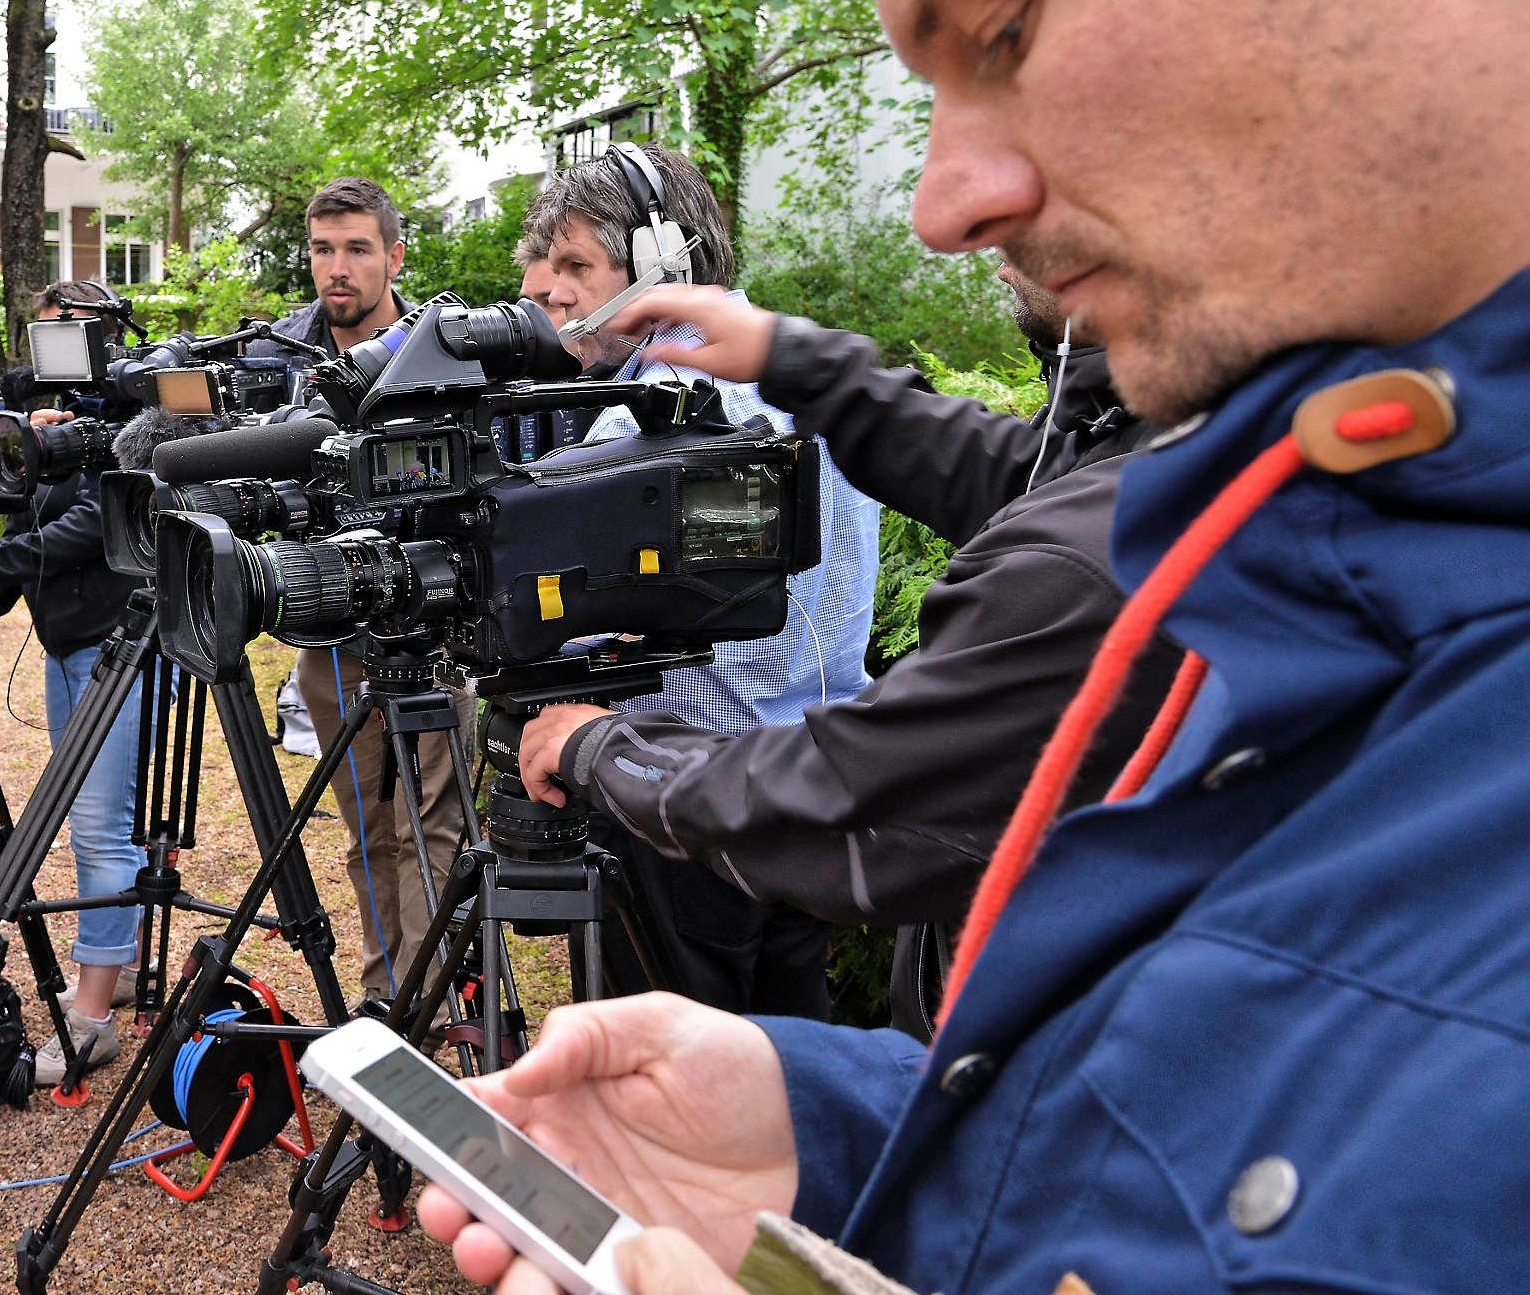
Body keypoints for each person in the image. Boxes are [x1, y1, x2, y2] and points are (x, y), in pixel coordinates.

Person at [420, 0, 1530, 1290]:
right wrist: (838, 1111)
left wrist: (598, 748)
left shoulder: (1194, 538)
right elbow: (1227, 1115)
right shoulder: (1315, 499)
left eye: (1004, 30)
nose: (948, 203)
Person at [516, 267, 1177, 1037]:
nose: (980, 246)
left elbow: (859, 804)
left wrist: (604, 748)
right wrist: (787, 358)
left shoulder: (1103, 551)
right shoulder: (1141, 440)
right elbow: (1014, 471)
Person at [509, 147, 882, 1020]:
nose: (549, 291)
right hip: (815, 787)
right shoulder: (807, 382)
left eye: (576, 265)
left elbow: (570, 623)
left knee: (663, 1072)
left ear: (661, 265)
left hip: (678, 804)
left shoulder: (642, 423)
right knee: (785, 1056)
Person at [248, 177, 474, 1009]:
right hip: (327, 625)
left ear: (393, 255)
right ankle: (386, 1000)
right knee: (365, 834)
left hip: (428, 624)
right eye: (322, 249)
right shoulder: (278, 357)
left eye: (356, 248)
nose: (336, 269)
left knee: (434, 831)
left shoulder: (444, 348)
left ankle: (430, 1005)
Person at [0, 284, 147, 1082]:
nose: (63, 349)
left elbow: (91, 525)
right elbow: (25, 529)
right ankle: (117, 963)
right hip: (68, 646)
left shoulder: (134, 417)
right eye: (50, 333)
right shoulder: (37, 418)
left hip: (126, 641)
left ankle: (91, 1018)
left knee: (101, 826)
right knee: (89, 819)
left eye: (79, 333)